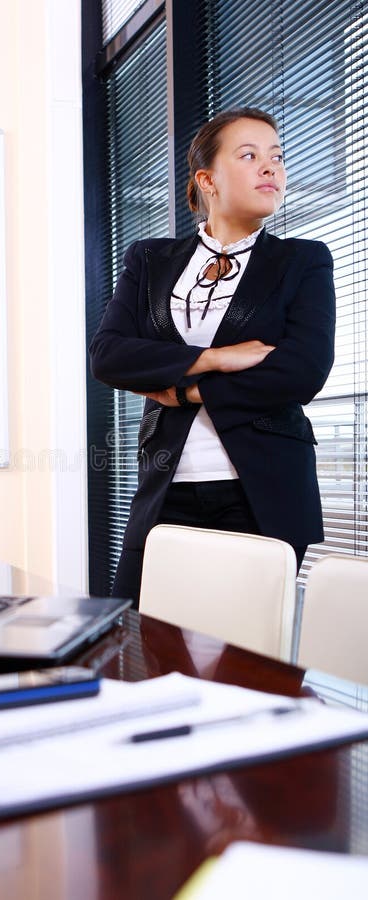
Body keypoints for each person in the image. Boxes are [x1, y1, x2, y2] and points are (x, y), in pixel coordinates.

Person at [90, 107, 336, 608]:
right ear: (208, 179)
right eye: (249, 156)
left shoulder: (303, 261)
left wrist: (181, 389)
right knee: (134, 638)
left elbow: (302, 370)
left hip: (261, 492)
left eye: (277, 157)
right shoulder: (149, 260)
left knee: (249, 665)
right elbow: (109, 355)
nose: (271, 168)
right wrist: (215, 358)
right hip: (166, 487)